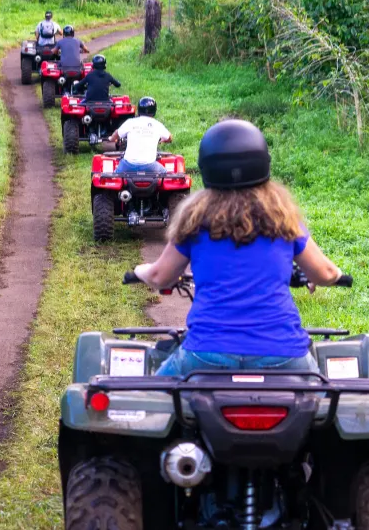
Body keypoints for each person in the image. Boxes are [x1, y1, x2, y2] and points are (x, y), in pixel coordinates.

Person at [130, 119, 346, 376]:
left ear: (207, 167)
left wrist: (140, 270)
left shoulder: (195, 219)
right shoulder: (283, 218)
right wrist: (332, 277)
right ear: (262, 163)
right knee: (322, 407)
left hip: (206, 353)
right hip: (283, 353)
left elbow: (160, 276)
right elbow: (326, 273)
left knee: (157, 399)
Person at [108, 97, 171, 174]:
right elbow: (169, 138)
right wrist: (163, 140)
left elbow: (117, 133)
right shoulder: (157, 125)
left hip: (128, 165)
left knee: (115, 175)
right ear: (154, 111)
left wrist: (111, 139)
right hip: (150, 166)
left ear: (139, 110)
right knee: (165, 174)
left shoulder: (130, 122)